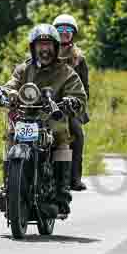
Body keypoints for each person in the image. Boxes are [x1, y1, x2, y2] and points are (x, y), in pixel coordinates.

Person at [0, 24, 87, 217]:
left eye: (49, 45)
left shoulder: (66, 72)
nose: (45, 49)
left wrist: (71, 101)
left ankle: (61, 193)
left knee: (62, 139)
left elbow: (79, 95)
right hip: (24, 117)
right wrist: (5, 93)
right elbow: (12, 84)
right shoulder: (23, 69)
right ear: (33, 47)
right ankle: (8, 186)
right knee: (10, 138)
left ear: (56, 47)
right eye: (40, 45)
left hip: (52, 119)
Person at [52, 14, 89, 191]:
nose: (64, 33)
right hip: (48, 101)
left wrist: (79, 109)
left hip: (70, 105)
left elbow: (84, 87)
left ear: (73, 34)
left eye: (68, 30)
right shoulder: (48, 52)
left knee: (77, 133)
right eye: (60, 30)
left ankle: (74, 178)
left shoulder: (79, 58)